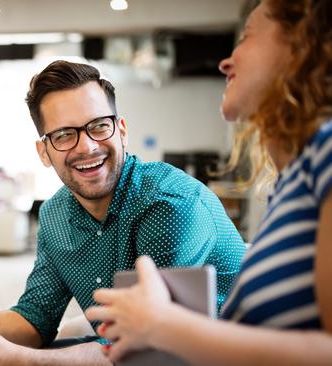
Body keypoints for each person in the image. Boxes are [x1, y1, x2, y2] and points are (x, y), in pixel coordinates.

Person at [0, 60, 247, 365]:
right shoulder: (55, 214)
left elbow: (150, 348)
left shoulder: (169, 203)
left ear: (122, 130)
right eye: (65, 135)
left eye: (99, 126)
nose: (87, 146)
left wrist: (16, 359)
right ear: (44, 152)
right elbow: (35, 317)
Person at [85, 0, 332, 364]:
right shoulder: (290, 183)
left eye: (247, 36)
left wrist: (161, 323)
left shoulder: (326, 151)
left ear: (301, 48)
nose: (225, 61)